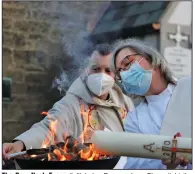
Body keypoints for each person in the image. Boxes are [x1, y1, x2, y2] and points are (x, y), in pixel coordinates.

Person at [3, 44, 134, 169]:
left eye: (108, 70)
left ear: (116, 74)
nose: (102, 75)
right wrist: (20, 144)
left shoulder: (125, 103)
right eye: (96, 69)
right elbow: (48, 127)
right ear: (86, 71)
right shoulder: (71, 103)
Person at [110, 38, 192, 169]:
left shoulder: (189, 87)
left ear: (150, 58)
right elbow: (133, 165)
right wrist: (166, 164)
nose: (124, 73)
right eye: (120, 72)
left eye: (127, 63)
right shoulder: (134, 120)